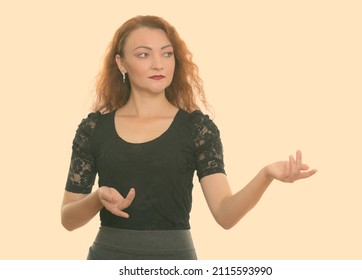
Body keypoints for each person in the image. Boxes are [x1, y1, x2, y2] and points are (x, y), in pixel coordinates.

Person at [61, 15, 317, 260]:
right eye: (143, 54)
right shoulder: (93, 129)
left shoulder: (197, 129)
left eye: (167, 53)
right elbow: (68, 219)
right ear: (121, 63)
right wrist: (97, 198)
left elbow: (225, 215)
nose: (158, 64)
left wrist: (266, 175)